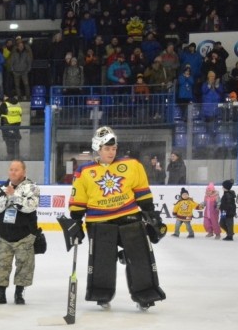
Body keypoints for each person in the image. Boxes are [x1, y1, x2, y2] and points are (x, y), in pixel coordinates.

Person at [65, 126, 166, 311]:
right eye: (107, 148)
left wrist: (150, 213)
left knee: (139, 256)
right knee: (102, 260)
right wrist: (76, 221)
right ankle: (101, 293)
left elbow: (142, 191)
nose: (111, 152)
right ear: (98, 148)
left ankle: (145, 294)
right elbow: (79, 199)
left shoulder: (132, 165)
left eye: (113, 148)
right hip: (98, 221)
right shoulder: (84, 171)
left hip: (129, 216)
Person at [0, 159, 39, 305]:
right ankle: (0, 294)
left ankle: (19, 294)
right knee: (1, 265)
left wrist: (13, 196)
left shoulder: (32, 187)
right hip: (4, 235)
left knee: (24, 266)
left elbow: (30, 206)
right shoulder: (1, 188)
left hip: (25, 236)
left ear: (24, 172)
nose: (13, 172)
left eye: (16, 169)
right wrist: (9, 198)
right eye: (11, 169)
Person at [0, 94, 22, 158]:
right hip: (16, 125)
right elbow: (20, 114)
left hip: (6, 124)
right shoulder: (18, 103)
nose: (4, 98)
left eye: (5, 96)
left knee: (9, 142)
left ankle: (10, 157)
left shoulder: (5, 104)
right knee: (16, 142)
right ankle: (17, 157)